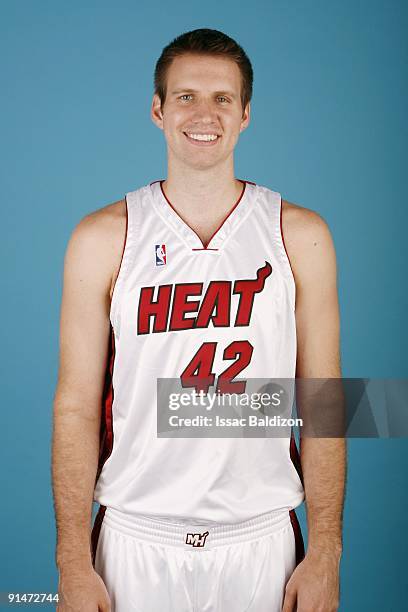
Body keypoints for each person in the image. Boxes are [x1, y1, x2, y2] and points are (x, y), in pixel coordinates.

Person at [52, 28, 346, 612]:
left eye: (222, 98)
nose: (204, 114)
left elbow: (324, 400)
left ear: (246, 114)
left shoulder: (300, 235)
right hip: (135, 537)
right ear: (158, 110)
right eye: (186, 96)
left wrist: (328, 552)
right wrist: (71, 563)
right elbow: (76, 405)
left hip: (262, 539)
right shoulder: (104, 237)